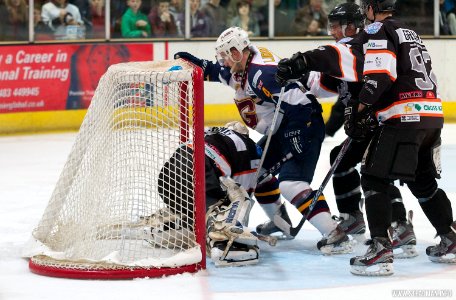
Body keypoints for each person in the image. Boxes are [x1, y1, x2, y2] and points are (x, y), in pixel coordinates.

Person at [275, 0, 456, 276]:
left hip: (402, 114)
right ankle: (451, 238)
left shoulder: (376, 30)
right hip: (431, 114)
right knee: (422, 181)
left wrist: (361, 108)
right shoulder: (410, 31)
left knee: (374, 178)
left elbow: (377, 74)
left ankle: (381, 249)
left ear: (371, 9)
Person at [174, 26, 352, 255]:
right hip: (284, 127)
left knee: (291, 184)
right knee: (256, 171)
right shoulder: (240, 68)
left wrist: (298, 133)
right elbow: (213, 70)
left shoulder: (262, 73)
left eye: (225, 55)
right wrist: (191, 61)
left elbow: (303, 102)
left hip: (304, 125)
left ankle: (335, 234)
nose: (223, 61)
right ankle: (280, 222)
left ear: (237, 52)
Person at [303, 2, 417, 259]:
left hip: (378, 121)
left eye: (335, 26)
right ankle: (353, 216)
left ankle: (399, 224)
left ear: (351, 26)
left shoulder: (358, 47)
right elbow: (334, 88)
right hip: (364, 120)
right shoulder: (350, 48)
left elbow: (376, 83)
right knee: (341, 160)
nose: (331, 31)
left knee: (376, 172)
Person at [156, 122, 280, 266]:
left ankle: (181, 223)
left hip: (166, 178)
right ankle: (225, 242)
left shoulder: (212, 134)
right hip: (197, 173)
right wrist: (238, 225)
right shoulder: (246, 144)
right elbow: (243, 189)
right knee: (237, 197)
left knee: (204, 206)